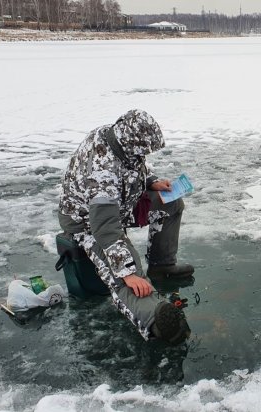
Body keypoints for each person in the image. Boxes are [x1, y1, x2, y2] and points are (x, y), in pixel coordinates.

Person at [58, 109, 193, 343]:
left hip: (118, 206)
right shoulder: (101, 173)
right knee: (127, 271)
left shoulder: (116, 138)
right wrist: (128, 273)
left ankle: (162, 265)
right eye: (143, 150)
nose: (145, 155)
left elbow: (133, 164)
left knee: (171, 203)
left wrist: (151, 182)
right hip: (86, 221)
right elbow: (106, 230)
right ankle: (157, 320)